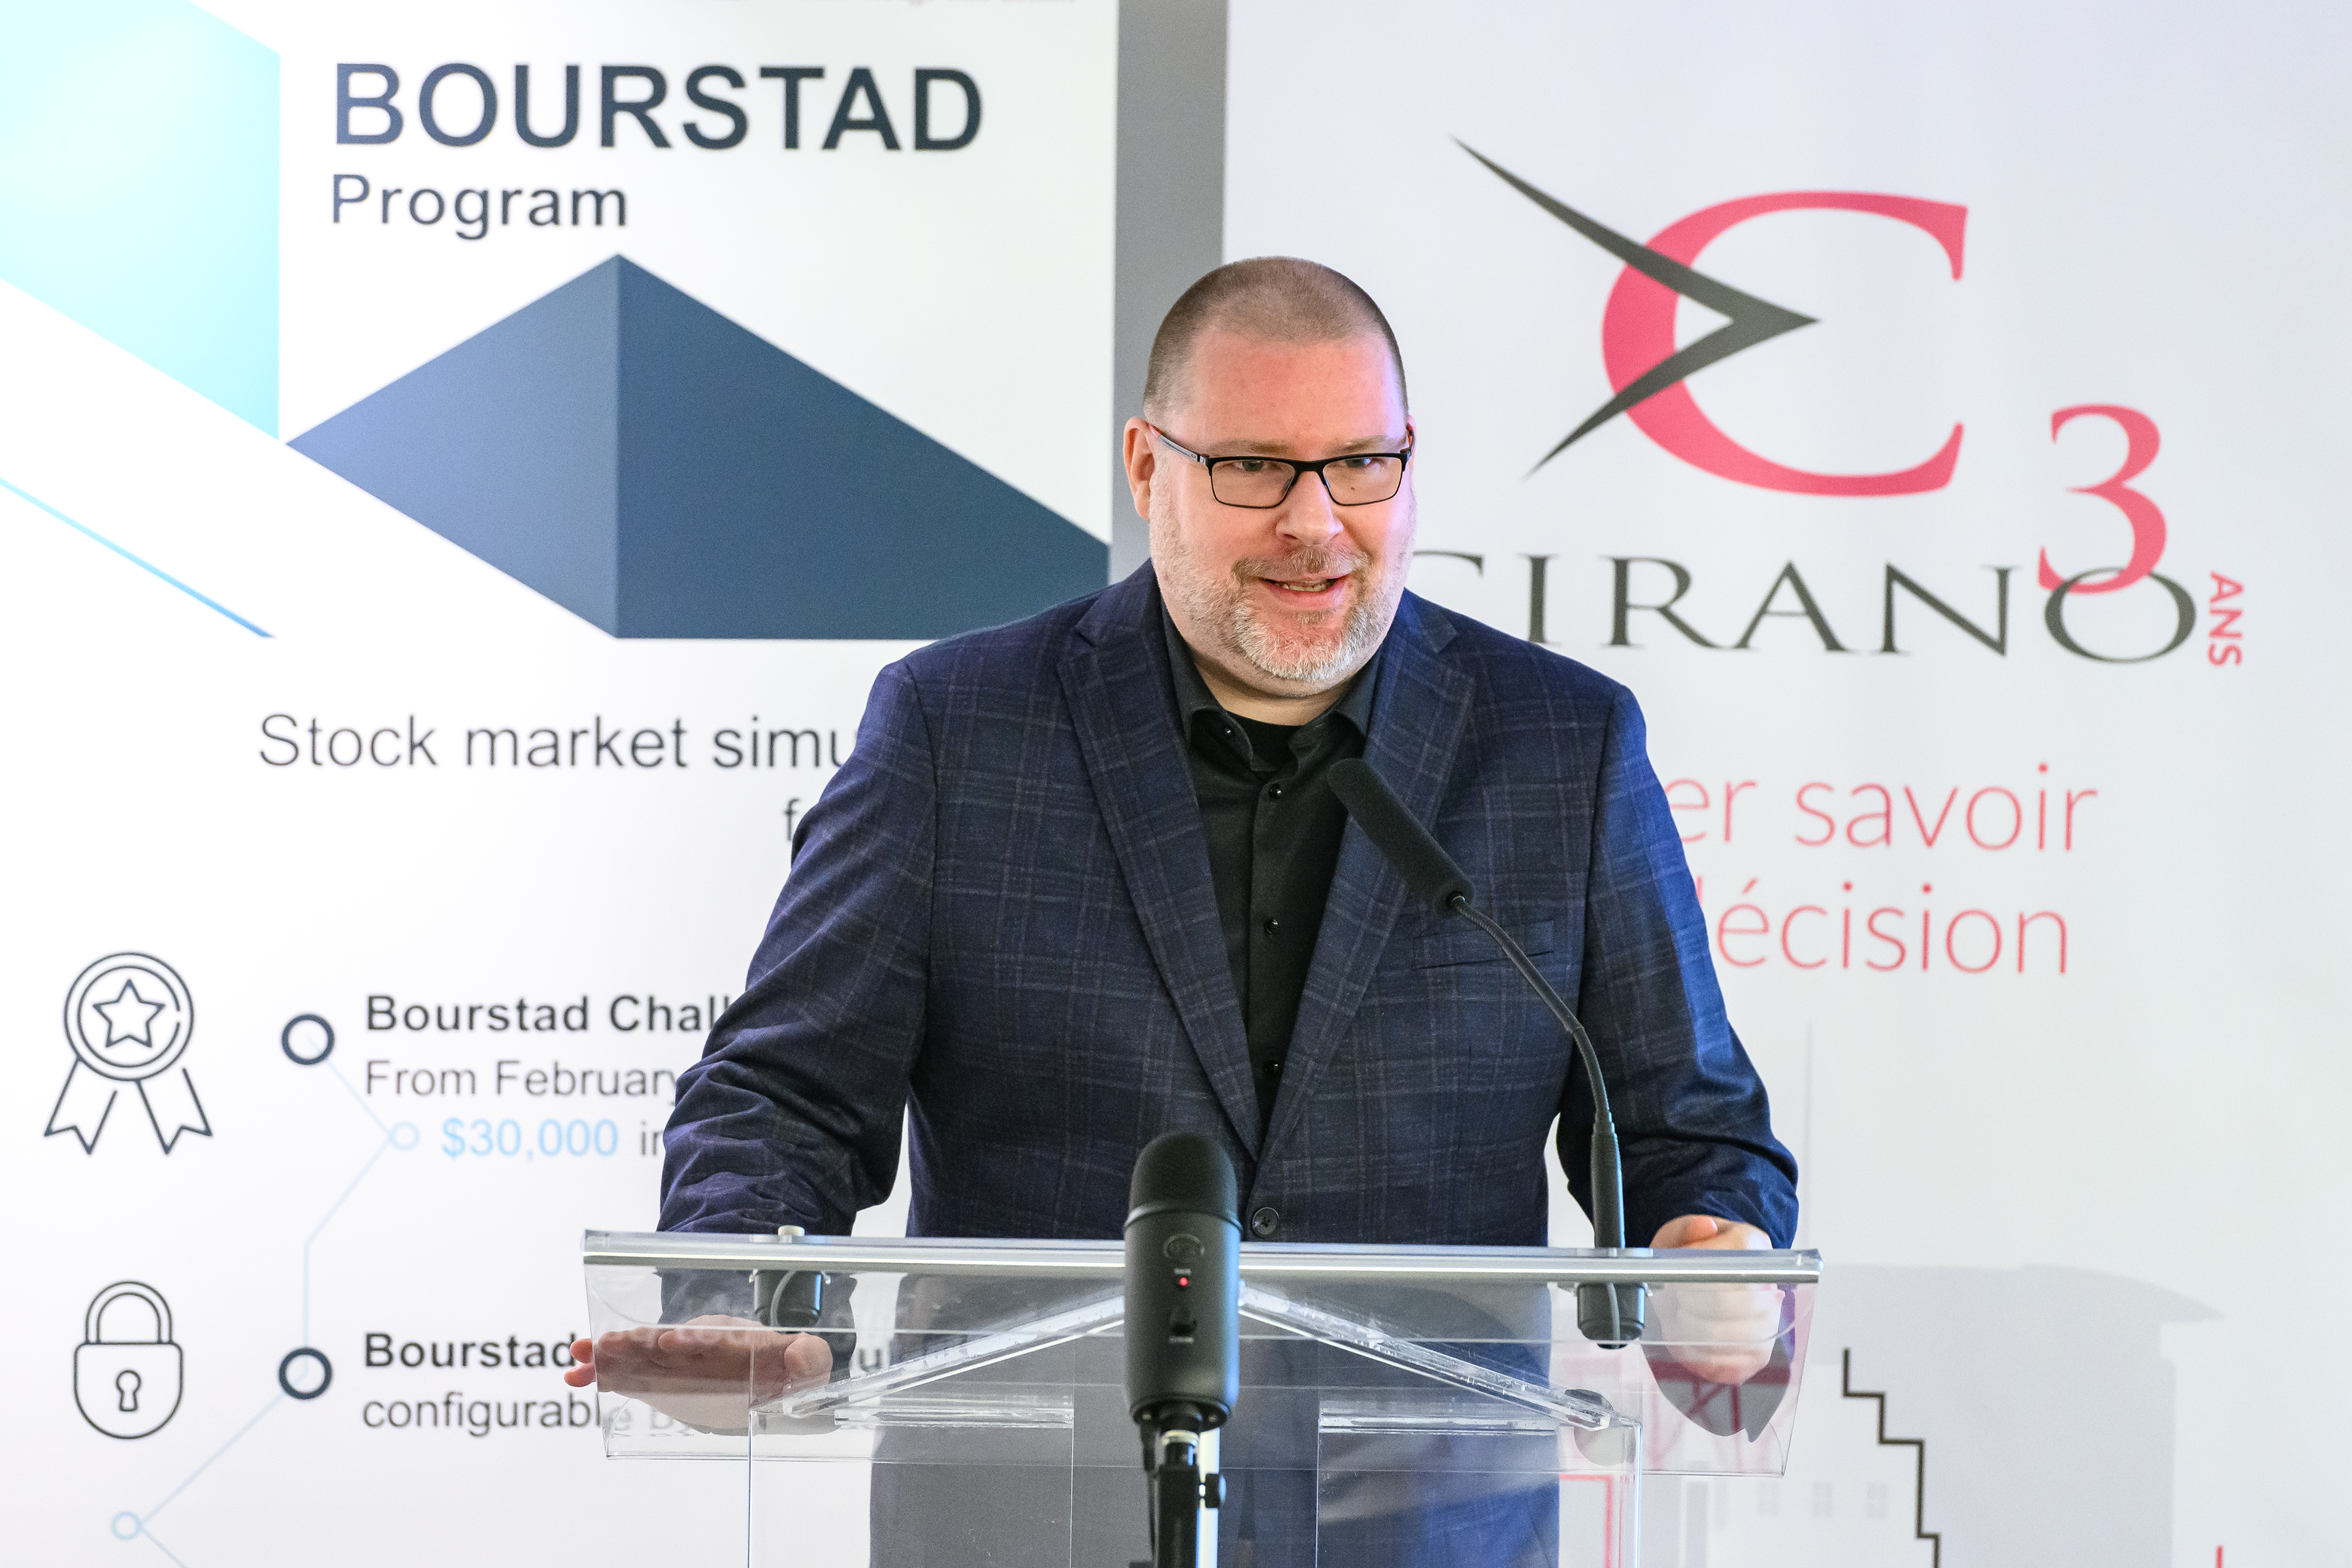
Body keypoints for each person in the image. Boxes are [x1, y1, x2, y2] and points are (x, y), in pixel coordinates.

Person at [568, 257, 1797, 1555]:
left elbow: (1687, 1126)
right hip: (1030, 1525)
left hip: (1423, 1531)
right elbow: (785, 1094)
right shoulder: (957, 731)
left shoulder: (1561, 746)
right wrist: (735, 1293)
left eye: (1362, 464)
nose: (1317, 522)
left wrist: (1710, 1252)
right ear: (1148, 467)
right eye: (1255, 467)